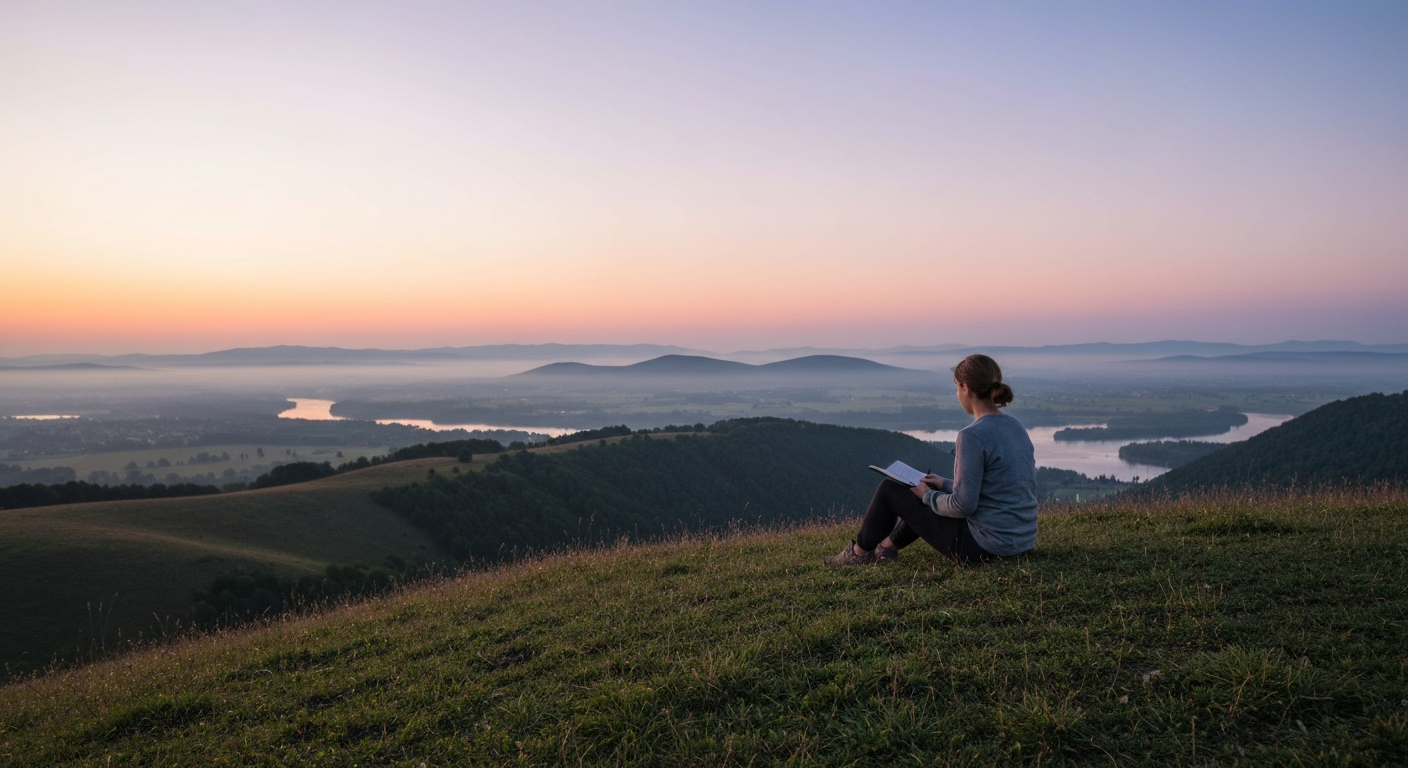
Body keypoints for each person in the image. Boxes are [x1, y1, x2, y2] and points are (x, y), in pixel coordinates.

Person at [825, 354, 1038, 566]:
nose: (957, 393)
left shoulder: (972, 436)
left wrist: (928, 497)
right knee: (923, 489)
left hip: (984, 548)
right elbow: (996, 488)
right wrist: (943, 484)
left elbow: (963, 506)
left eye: (957, 387)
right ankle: (888, 545)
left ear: (965, 388)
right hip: (1022, 542)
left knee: (890, 488)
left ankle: (858, 554)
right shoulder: (1015, 426)